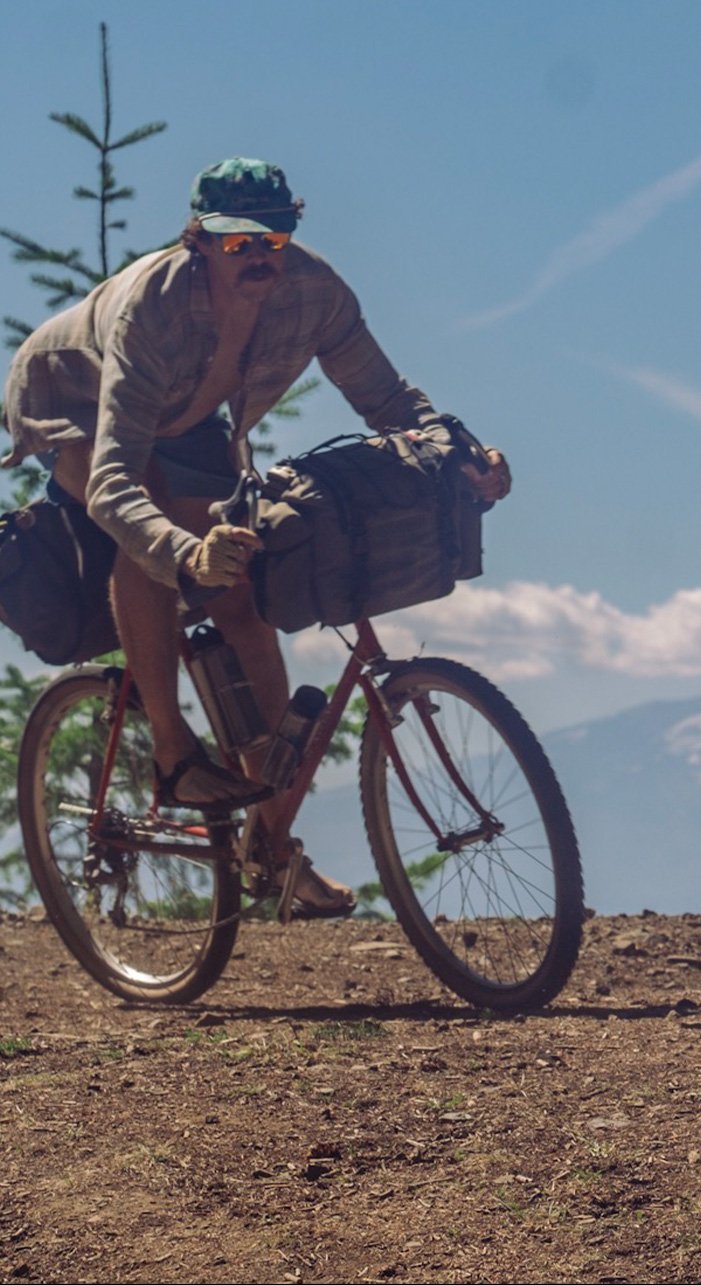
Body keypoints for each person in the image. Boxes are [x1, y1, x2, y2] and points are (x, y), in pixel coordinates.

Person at [3, 157, 510, 918]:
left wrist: (460, 453)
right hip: (76, 403)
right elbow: (111, 483)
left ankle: (271, 845)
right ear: (198, 238)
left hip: (189, 410)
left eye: (274, 235)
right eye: (236, 241)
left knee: (244, 590)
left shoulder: (315, 290)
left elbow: (387, 398)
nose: (259, 254)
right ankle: (173, 753)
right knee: (156, 521)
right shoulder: (157, 307)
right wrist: (182, 551)